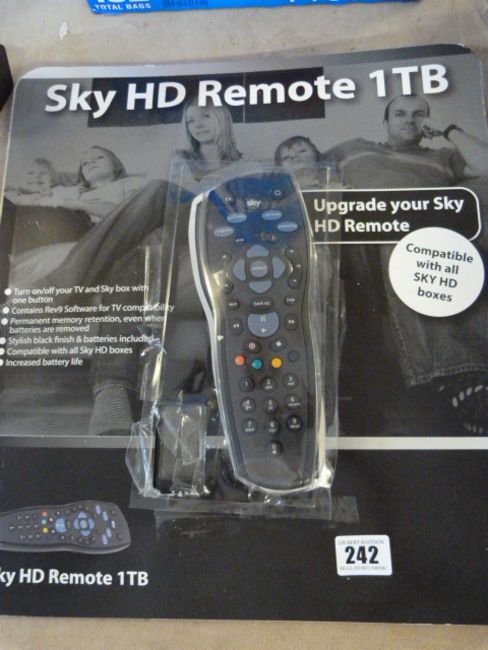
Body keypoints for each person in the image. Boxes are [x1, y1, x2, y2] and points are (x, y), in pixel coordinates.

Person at [326, 94, 488, 434]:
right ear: (385, 121)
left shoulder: (441, 157)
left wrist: (450, 130)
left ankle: (466, 380)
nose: (409, 120)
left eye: (419, 114)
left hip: (432, 232)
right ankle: (460, 380)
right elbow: (300, 167)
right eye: (400, 113)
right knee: (406, 238)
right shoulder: (352, 149)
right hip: (367, 236)